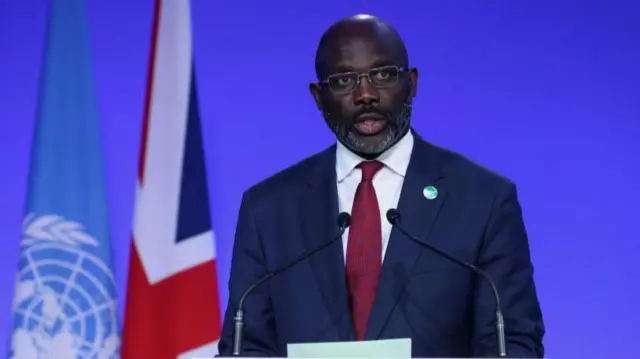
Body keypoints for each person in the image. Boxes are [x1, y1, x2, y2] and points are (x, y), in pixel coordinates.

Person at [217, 14, 545, 358]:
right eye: (344, 79)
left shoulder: (483, 199)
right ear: (318, 96)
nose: (366, 94)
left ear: (412, 82)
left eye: (383, 74)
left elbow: (513, 340)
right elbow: (247, 345)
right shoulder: (268, 209)